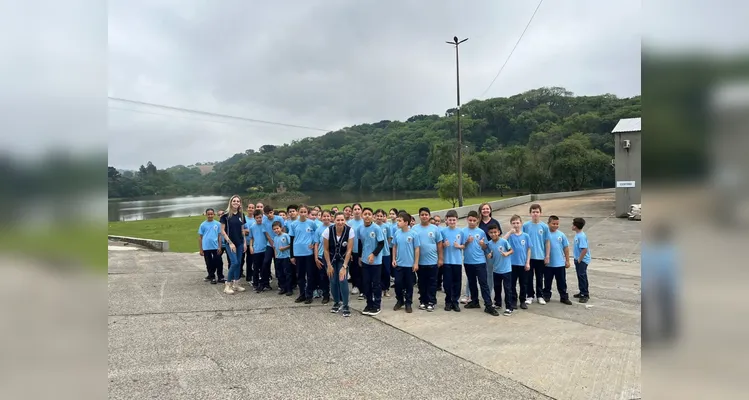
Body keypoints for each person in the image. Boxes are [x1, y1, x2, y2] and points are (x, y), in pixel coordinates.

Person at [462, 211, 498, 316]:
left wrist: (483, 245)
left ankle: (488, 305)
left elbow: (486, 247)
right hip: (468, 262)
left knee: (483, 283)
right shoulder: (463, 231)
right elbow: (461, 246)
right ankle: (474, 301)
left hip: (480, 262)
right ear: (467, 220)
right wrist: (467, 242)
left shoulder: (481, 232)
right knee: (471, 282)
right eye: (470, 220)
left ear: (478, 220)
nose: (472, 222)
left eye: (474, 220)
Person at [323, 212, 354, 317]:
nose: (340, 222)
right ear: (334, 220)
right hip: (330, 258)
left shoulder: (350, 231)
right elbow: (326, 250)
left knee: (342, 279)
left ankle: (345, 304)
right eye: (338, 220)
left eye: (342, 220)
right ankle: (336, 302)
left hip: (343, 258)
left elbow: (349, 250)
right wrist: (328, 265)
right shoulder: (328, 231)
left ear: (345, 221)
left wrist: (344, 266)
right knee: (333, 279)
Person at [412, 207, 443, 312]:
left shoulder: (435, 229)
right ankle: (423, 301)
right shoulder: (415, 229)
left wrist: (440, 259)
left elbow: (439, 244)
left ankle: (431, 301)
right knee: (421, 282)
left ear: (429, 216)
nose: (424, 216)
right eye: (422, 214)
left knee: (432, 282)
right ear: (419, 216)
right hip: (420, 261)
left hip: (433, 261)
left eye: (426, 214)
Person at [357, 207, 386, 316]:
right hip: (365, 260)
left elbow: (381, 243)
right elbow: (360, 243)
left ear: (372, 216)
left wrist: (374, 254)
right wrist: (360, 256)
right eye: (365, 214)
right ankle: (369, 303)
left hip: (376, 261)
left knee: (376, 284)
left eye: (369, 214)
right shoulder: (360, 228)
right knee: (366, 283)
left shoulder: (376, 228)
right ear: (362, 216)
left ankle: (377, 305)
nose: (367, 216)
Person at [288, 204, 319, 304]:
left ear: (307, 213)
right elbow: (292, 240)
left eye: (305, 212)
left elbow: (317, 234)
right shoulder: (293, 224)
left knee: (310, 274)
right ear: (298, 212)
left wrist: (313, 243)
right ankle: (302, 294)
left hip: (308, 253)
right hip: (298, 252)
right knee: (300, 275)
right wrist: (292, 255)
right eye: (301, 212)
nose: (302, 214)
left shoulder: (311, 223)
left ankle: (309, 294)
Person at [523, 203, 551, 306]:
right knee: (528, 278)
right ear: (530, 213)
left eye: (537, 212)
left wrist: (547, 255)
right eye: (533, 212)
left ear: (540, 213)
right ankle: (530, 295)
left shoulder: (544, 227)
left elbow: (547, 242)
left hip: (540, 256)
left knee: (540, 277)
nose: (535, 214)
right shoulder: (525, 226)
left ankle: (540, 295)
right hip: (529, 257)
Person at [391, 212, 420, 313]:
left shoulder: (413, 234)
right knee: (398, 283)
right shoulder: (397, 233)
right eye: (397, 220)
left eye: (400, 221)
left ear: (406, 222)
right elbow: (394, 246)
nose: (398, 222)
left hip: (409, 265)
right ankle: (400, 300)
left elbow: (417, 249)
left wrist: (416, 263)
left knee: (409, 285)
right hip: (399, 264)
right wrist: (394, 259)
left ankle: (408, 303)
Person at [219, 195, 247, 295]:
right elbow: (222, 231)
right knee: (234, 262)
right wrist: (230, 243)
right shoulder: (225, 216)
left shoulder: (241, 215)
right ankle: (228, 285)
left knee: (239, 263)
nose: (236, 202)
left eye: (238, 201)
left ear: (240, 203)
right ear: (231, 202)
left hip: (239, 243)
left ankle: (236, 284)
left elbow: (242, 230)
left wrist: (244, 243)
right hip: (230, 243)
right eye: (234, 201)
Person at [504, 215, 532, 310]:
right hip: (511, 264)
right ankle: (513, 300)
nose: (516, 225)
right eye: (514, 223)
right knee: (512, 284)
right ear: (511, 224)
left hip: (522, 263)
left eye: (517, 223)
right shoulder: (510, 236)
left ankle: (523, 300)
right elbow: (502, 241)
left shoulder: (526, 236)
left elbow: (528, 249)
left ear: (521, 223)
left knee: (523, 283)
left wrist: (527, 262)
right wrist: (509, 232)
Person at [543, 215, 572, 305]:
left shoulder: (561, 235)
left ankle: (564, 297)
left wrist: (567, 260)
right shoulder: (544, 234)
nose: (555, 225)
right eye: (553, 223)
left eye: (557, 224)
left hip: (559, 264)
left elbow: (566, 248)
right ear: (548, 223)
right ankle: (546, 296)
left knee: (562, 282)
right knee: (547, 281)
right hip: (548, 264)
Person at [487, 224, 514, 316]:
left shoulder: (503, 241)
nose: (493, 234)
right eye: (491, 233)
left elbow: (511, 250)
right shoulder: (490, 243)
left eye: (495, 232)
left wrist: (507, 253)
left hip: (506, 270)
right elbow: (491, 253)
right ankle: (498, 303)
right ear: (489, 233)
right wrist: (490, 256)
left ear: (498, 232)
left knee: (507, 289)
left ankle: (509, 307)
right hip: (496, 270)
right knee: (497, 288)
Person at [440, 210, 464, 312]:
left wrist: (459, 246)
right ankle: (448, 301)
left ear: (457, 220)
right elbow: (439, 245)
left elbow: (464, 245)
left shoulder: (461, 232)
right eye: (450, 220)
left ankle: (455, 301)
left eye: (454, 220)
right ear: (446, 220)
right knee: (447, 283)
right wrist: (443, 245)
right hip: (446, 261)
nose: (452, 222)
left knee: (457, 282)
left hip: (457, 261)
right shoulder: (443, 231)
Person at [263, 206, 285, 294]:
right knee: (266, 262)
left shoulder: (279, 218)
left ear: (273, 212)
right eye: (267, 213)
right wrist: (273, 244)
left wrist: (280, 242)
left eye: (270, 212)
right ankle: (265, 283)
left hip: (280, 243)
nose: (269, 215)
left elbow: (283, 229)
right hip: (270, 244)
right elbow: (267, 234)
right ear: (264, 214)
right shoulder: (264, 221)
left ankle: (281, 284)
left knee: (278, 263)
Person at [198, 208, 224, 284]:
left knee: (219, 262)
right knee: (208, 262)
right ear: (206, 214)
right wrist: (201, 249)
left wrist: (219, 246)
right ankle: (212, 276)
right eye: (208, 214)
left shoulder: (217, 224)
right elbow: (200, 237)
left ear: (214, 214)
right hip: (206, 247)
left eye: (211, 214)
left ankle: (220, 276)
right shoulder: (203, 224)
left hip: (215, 246)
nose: (210, 216)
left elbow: (219, 236)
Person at [247, 209, 270, 292]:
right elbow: (251, 238)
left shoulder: (265, 225)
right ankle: (256, 283)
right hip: (257, 250)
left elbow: (268, 236)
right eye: (257, 218)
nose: (259, 219)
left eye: (260, 217)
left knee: (265, 267)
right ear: (254, 218)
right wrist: (250, 246)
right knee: (256, 268)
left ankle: (266, 283)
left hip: (265, 249)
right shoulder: (252, 227)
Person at [313, 210, 333, 304]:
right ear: (321, 218)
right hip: (322, 256)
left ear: (331, 217)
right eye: (324, 216)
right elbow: (316, 244)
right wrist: (316, 258)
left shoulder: (334, 227)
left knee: (334, 277)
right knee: (323, 277)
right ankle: (326, 295)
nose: (326, 218)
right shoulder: (318, 229)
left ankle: (338, 295)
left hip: (333, 256)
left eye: (328, 216)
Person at [572, 217, 591, 303]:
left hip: (582, 260)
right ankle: (582, 291)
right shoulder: (578, 235)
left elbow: (584, 249)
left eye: (573, 224)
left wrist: (579, 259)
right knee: (580, 276)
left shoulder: (581, 236)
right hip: (578, 259)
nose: (572, 226)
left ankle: (585, 294)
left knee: (582, 276)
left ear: (575, 226)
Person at [347, 203, 365, 299]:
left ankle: (363, 289)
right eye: (355, 209)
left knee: (362, 269)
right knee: (353, 269)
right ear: (352, 211)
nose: (357, 211)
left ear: (361, 210)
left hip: (363, 250)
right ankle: (355, 285)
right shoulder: (349, 223)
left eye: (358, 209)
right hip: (353, 250)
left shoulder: (364, 222)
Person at [374, 209, 393, 298]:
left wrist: (386, 245)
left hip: (385, 252)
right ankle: (380, 289)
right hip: (376, 253)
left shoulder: (386, 227)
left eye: (381, 216)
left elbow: (389, 238)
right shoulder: (373, 227)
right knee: (378, 272)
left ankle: (386, 289)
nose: (379, 217)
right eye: (377, 216)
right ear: (374, 217)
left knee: (386, 271)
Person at [272, 222, 293, 296]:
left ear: (281, 228)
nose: (276, 230)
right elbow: (274, 247)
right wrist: (276, 256)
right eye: (274, 229)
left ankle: (289, 289)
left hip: (286, 257)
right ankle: (283, 288)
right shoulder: (275, 238)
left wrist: (284, 248)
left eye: (277, 228)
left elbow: (291, 245)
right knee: (280, 274)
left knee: (287, 273)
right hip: (279, 258)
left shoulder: (285, 235)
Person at [241, 202, 255, 279]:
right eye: (249, 207)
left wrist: (248, 231)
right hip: (243, 242)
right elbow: (241, 229)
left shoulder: (256, 218)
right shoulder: (244, 218)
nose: (251, 209)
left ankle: (249, 275)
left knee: (250, 260)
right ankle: (239, 273)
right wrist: (245, 231)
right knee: (241, 259)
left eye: (252, 208)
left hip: (252, 242)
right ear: (247, 209)